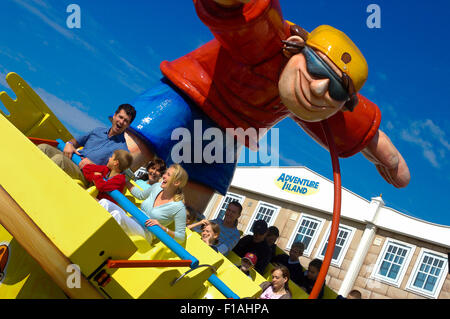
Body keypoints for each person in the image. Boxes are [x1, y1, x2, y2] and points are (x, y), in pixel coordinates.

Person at [124, 0, 410, 222]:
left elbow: (353, 126)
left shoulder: (308, 104)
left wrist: (385, 154)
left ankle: (167, 241)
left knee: (192, 199)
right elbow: (248, 15)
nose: (321, 89)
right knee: (138, 143)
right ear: (295, 48)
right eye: (315, 69)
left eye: (336, 90)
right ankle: (95, 171)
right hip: (189, 94)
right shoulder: (267, 42)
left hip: (229, 134)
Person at [38, 103, 136, 185]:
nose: (121, 122)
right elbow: (75, 142)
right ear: (114, 116)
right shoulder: (98, 130)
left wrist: (93, 165)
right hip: (72, 160)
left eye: (126, 121)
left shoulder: (123, 150)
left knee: (59, 160)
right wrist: (68, 144)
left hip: (86, 175)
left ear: (128, 125)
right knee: (43, 148)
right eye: (120, 117)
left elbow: (113, 178)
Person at [99, 164, 188, 243]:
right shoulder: (157, 187)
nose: (163, 176)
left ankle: (99, 242)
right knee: (104, 203)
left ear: (176, 182)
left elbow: (180, 237)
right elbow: (140, 195)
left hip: (146, 232)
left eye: (168, 175)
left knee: (117, 215)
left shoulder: (178, 207)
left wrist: (162, 228)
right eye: (165, 173)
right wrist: (125, 180)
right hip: (133, 220)